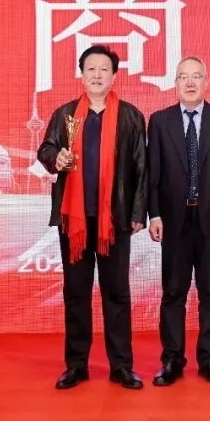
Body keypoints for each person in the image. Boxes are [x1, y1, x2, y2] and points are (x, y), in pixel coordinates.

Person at [37, 45, 148, 390]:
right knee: (76, 292)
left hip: (114, 220)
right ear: (82, 75)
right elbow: (45, 149)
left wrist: (137, 213)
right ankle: (76, 365)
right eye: (91, 69)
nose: (97, 75)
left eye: (104, 69)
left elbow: (141, 168)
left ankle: (121, 366)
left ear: (114, 76)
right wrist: (57, 158)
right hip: (75, 221)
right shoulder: (65, 115)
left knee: (117, 293)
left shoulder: (130, 117)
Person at [147, 57, 210, 386]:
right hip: (173, 221)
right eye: (183, 77)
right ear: (175, 83)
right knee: (173, 293)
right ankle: (172, 359)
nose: (189, 83)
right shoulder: (159, 121)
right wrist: (154, 214)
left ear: (206, 83)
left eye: (196, 77)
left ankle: (209, 360)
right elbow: (153, 173)